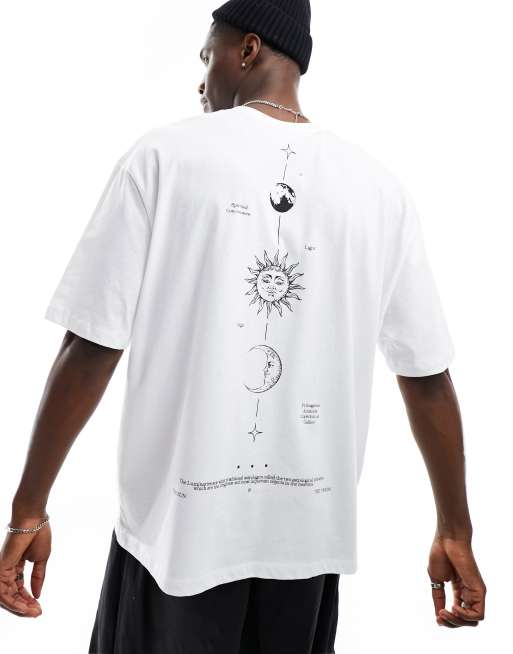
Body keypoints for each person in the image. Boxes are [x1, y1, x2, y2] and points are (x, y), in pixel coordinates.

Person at [0, 0, 486, 651]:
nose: (201, 81)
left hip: (177, 545)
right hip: (306, 553)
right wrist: (455, 529)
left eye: (208, 57)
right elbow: (426, 377)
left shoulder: (163, 157)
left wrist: (28, 509)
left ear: (248, 49)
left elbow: (89, 348)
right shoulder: (379, 190)